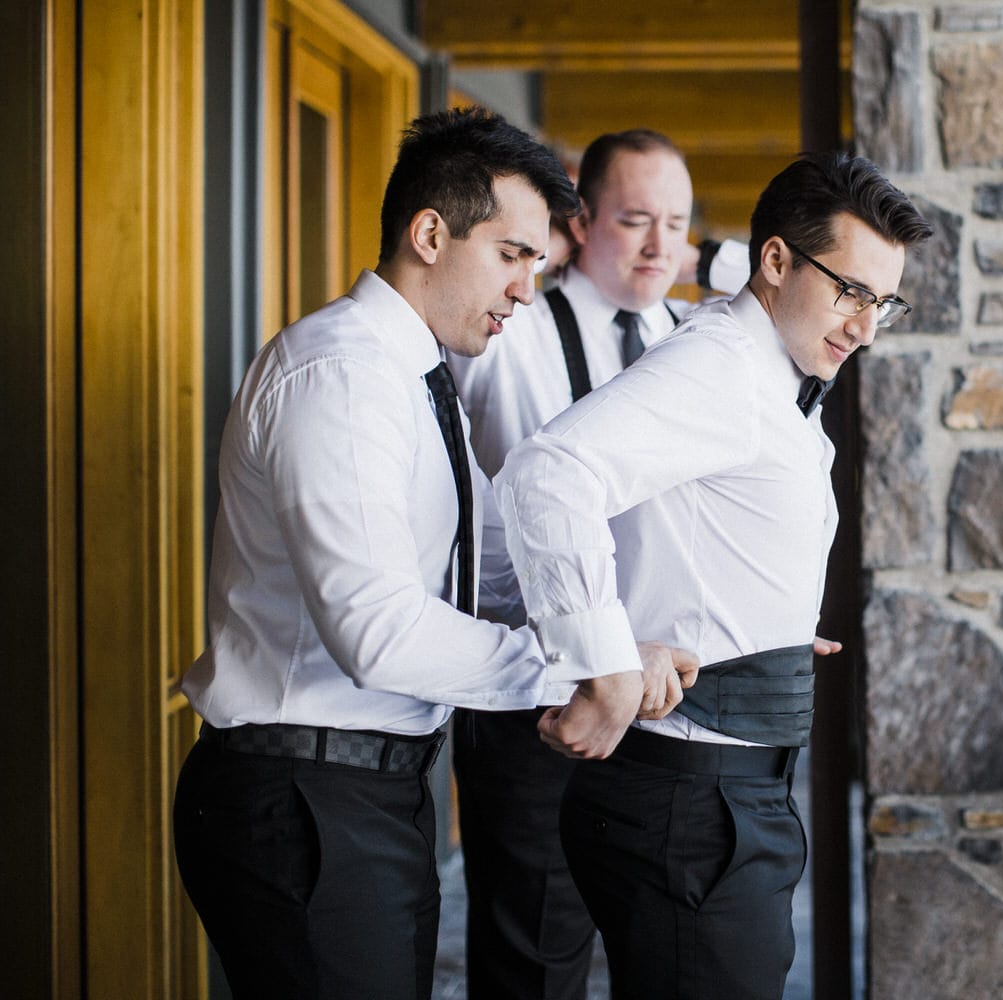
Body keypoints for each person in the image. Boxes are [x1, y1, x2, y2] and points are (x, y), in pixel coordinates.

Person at [172, 106, 693, 1000]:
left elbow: (491, 564)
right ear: (428, 233)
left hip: (371, 789)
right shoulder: (339, 377)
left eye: (535, 262)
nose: (527, 288)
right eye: (511, 255)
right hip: (302, 796)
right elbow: (377, 633)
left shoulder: (416, 379)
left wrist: (627, 642)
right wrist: (576, 670)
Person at [497, 152, 932, 1000]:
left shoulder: (768, 367)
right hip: (693, 808)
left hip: (722, 796)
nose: (866, 326)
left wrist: (761, 621)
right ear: (775, 261)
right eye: (851, 291)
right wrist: (606, 661)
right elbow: (549, 475)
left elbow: (686, 527)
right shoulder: (723, 368)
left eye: (883, 302)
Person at [447, 127, 750, 1000]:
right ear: (579, 220)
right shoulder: (511, 328)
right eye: (634, 219)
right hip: (544, 690)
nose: (662, 246)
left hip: (668, 699)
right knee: (536, 950)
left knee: (669, 949)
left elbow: (789, 288)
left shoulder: (700, 339)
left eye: (679, 224)